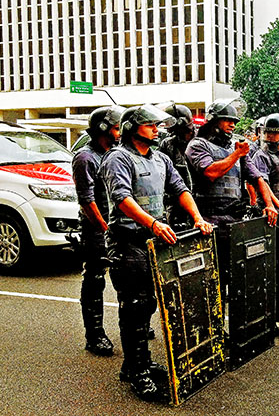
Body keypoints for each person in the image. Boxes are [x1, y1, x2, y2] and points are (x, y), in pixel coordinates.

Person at [99, 104, 213, 402]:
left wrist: (197, 217)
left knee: (149, 303)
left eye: (157, 125)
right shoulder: (118, 158)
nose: (156, 129)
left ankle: (136, 362)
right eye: (150, 125)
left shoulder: (162, 159)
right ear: (130, 128)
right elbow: (122, 198)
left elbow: (180, 189)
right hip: (127, 240)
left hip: (154, 241)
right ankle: (137, 372)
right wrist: (152, 222)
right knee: (134, 304)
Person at [72, 105, 125, 357]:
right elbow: (87, 202)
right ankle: (94, 334)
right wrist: (106, 230)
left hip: (117, 226)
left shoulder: (117, 154)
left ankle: (135, 326)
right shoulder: (85, 157)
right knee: (94, 279)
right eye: (116, 128)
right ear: (103, 129)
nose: (119, 132)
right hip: (96, 229)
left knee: (127, 279)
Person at [185, 99, 263, 226]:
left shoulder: (234, 147)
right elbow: (211, 172)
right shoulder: (198, 145)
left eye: (234, 122)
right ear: (214, 121)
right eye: (228, 120)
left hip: (234, 219)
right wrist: (237, 154)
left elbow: (257, 178)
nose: (233, 125)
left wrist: (269, 205)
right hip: (208, 219)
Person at [157, 102, 196, 227]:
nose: (167, 128)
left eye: (170, 124)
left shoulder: (201, 141)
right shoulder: (167, 144)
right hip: (175, 202)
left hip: (199, 202)